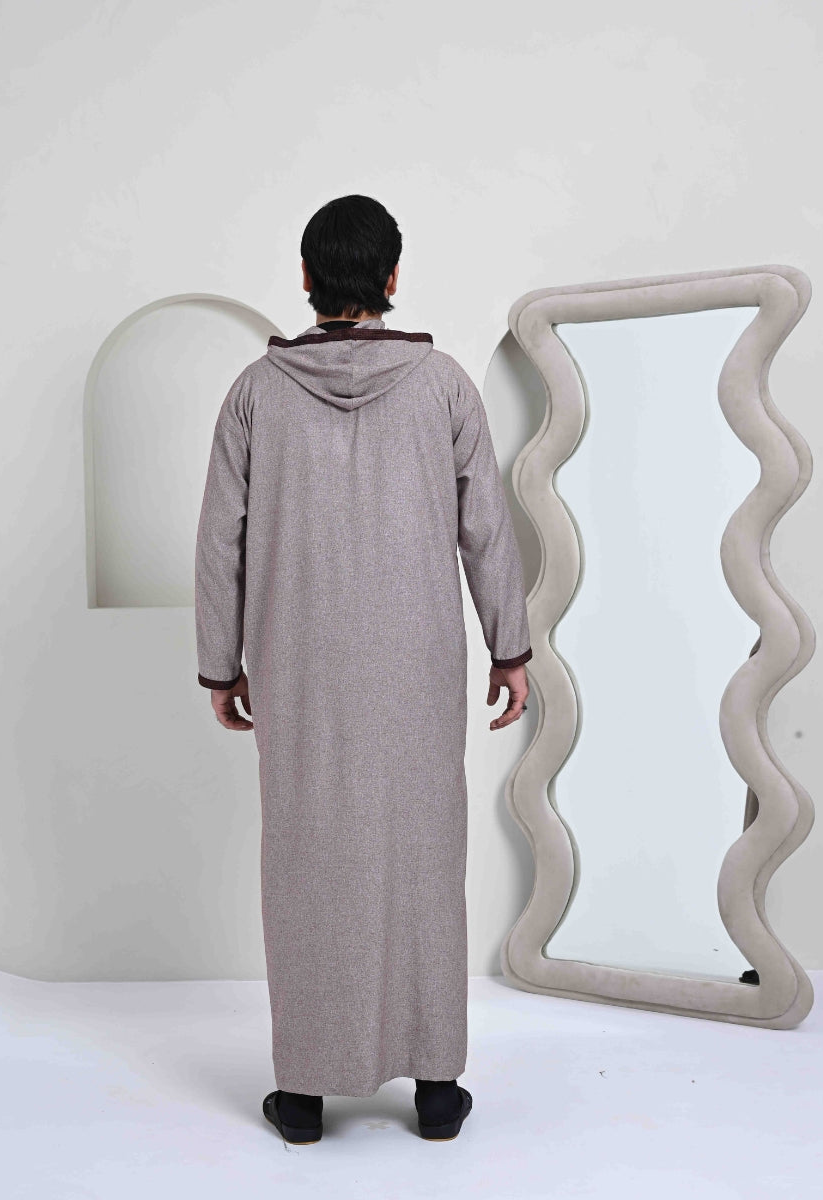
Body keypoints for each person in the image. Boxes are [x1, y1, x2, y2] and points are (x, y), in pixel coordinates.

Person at [194, 194, 532, 1144]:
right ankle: (436, 1089)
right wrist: (509, 646)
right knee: (423, 859)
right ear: (391, 278)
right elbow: (486, 529)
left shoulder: (255, 394)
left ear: (307, 278)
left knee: (306, 861)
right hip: (418, 666)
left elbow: (220, 539)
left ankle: (304, 1095)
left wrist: (220, 664)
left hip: (298, 667)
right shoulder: (444, 387)